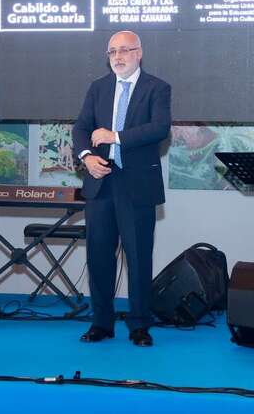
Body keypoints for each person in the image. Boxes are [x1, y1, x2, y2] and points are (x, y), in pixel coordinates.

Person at [72, 30, 171, 347]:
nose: (118, 56)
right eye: (113, 51)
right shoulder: (98, 88)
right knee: (99, 257)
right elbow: (81, 129)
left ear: (139, 53)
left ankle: (140, 325)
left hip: (137, 186)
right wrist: (86, 157)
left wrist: (115, 136)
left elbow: (159, 128)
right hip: (101, 183)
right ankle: (101, 323)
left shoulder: (157, 88)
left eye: (125, 50)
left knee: (139, 257)